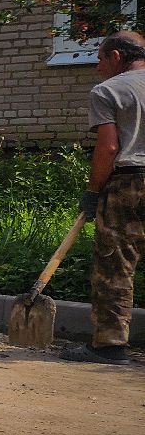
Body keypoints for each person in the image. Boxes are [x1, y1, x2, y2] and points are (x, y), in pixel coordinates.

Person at [64, 30, 145, 364]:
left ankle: (110, 345)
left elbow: (109, 147)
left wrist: (93, 191)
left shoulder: (108, 90)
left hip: (129, 184)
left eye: (99, 59)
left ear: (115, 56)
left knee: (116, 264)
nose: (98, 67)